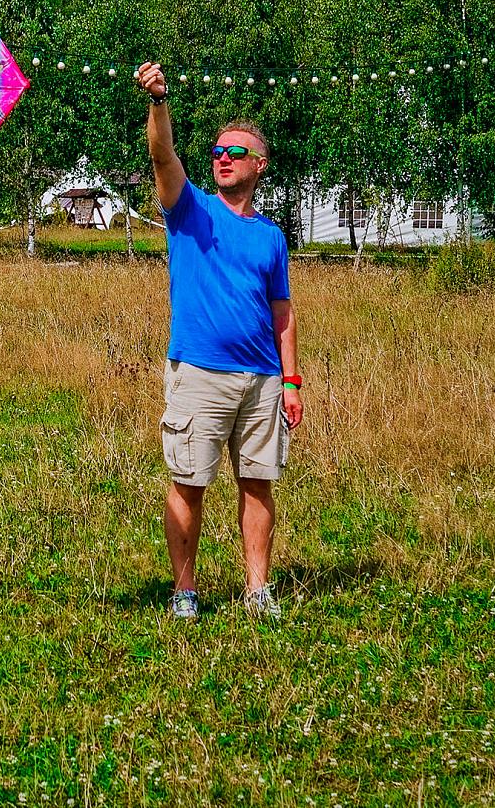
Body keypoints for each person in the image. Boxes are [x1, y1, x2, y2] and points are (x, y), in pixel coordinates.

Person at [136, 61, 303, 620]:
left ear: (260, 165)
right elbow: (163, 155)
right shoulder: (190, 209)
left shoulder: (271, 237)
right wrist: (159, 102)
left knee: (258, 484)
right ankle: (184, 591)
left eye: (235, 151)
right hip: (199, 373)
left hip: (262, 381)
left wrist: (291, 379)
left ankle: (258, 591)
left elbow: (282, 312)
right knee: (189, 482)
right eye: (217, 151)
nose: (223, 157)